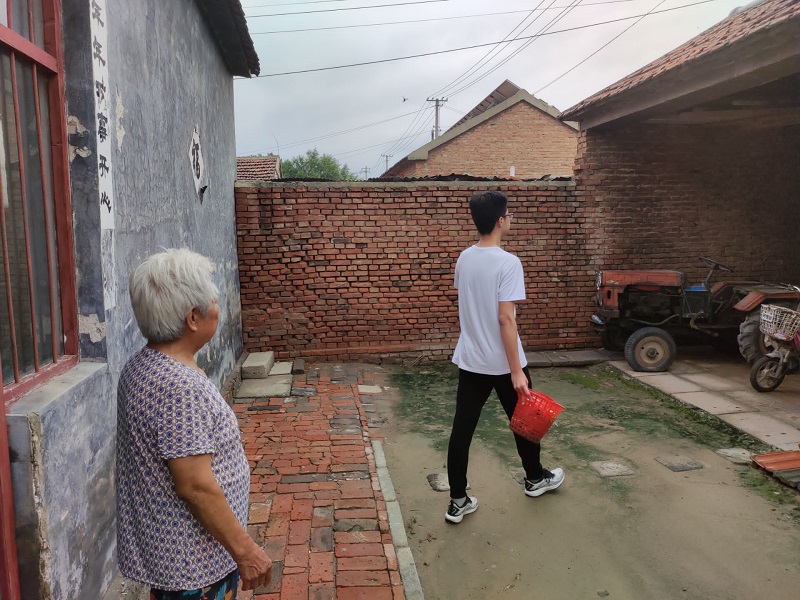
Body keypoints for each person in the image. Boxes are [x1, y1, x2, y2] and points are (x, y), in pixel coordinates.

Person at [116, 248, 272, 598]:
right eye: (213, 301)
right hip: (194, 565)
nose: (218, 307)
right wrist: (246, 551)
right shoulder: (179, 387)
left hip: (174, 554)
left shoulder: (141, 365)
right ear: (193, 318)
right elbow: (195, 486)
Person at [446, 191, 565, 524]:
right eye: (509, 215)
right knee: (526, 423)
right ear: (501, 220)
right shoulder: (508, 262)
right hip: (503, 363)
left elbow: (470, 302)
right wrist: (516, 371)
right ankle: (535, 479)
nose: (511, 219)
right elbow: (505, 319)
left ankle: (457, 500)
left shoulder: (464, 258)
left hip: (471, 359)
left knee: (462, 430)